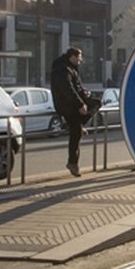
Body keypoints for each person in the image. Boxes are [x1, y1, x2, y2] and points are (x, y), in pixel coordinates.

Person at [51, 47, 95, 177]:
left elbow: (76, 87)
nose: (81, 61)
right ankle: (72, 163)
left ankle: (80, 125)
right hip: (67, 106)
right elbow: (68, 90)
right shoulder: (62, 69)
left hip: (73, 104)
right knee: (76, 132)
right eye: (79, 58)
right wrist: (80, 104)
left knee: (96, 103)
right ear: (73, 57)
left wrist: (84, 93)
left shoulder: (71, 68)